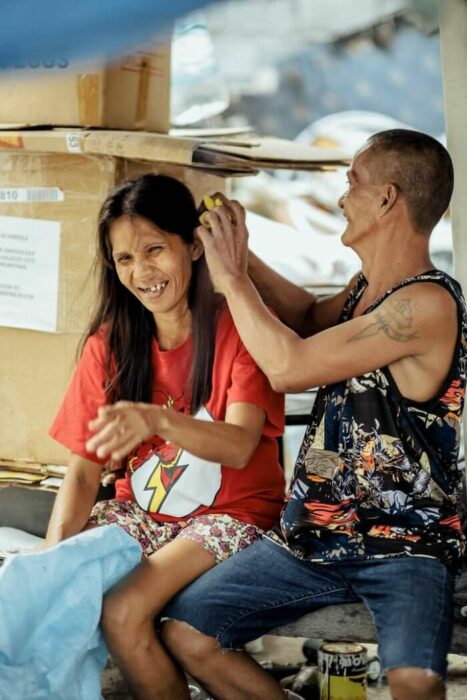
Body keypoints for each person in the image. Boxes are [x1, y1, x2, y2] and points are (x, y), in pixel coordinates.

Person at [157, 129, 467, 700]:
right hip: (313, 538)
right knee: (188, 629)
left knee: (415, 683)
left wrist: (228, 276)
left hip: (403, 544)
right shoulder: (367, 290)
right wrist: (238, 251)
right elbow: (302, 317)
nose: (342, 197)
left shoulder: (427, 302)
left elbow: (289, 366)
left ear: (388, 198)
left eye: (353, 182)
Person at [44, 173, 285, 698]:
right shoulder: (110, 343)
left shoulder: (239, 328)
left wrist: (158, 420)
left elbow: (240, 443)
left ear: (194, 246)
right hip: (144, 513)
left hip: (234, 514)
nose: (142, 272)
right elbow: (83, 471)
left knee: (124, 611)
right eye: (125, 259)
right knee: (47, 589)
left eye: (155, 249)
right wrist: (50, 561)